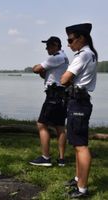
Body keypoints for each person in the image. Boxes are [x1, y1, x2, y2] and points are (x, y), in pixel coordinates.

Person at [61, 23, 97, 198]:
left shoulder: (82, 56)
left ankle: (82, 189)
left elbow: (64, 79)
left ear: (81, 38)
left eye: (70, 40)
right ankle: (78, 178)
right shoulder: (89, 54)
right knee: (77, 144)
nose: (68, 44)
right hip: (79, 101)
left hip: (79, 103)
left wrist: (64, 78)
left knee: (81, 146)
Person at [29, 37, 69, 167]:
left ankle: (45, 157)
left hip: (53, 95)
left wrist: (36, 67)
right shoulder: (63, 57)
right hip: (62, 95)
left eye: (48, 46)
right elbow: (44, 74)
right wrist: (42, 71)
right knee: (60, 127)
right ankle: (62, 159)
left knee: (41, 125)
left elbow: (36, 69)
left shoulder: (55, 57)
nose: (46, 49)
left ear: (55, 45)